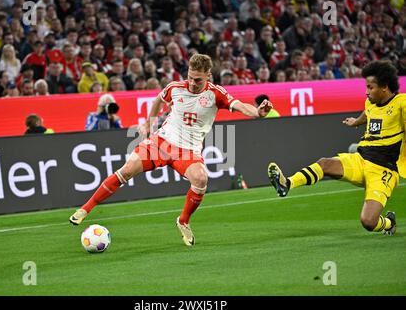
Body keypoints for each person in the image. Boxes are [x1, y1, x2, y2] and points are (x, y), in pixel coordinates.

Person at [70, 53, 273, 246]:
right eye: (191, 77)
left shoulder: (215, 93)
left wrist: (257, 112)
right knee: (127, 170)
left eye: (198, 80)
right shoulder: (175, 87)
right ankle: (85, 209)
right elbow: (159, 99)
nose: (193, 83)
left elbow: (240, 106)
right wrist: (149, 124)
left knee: (201, 179)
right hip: (162, 142)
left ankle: (183, 221)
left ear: (208, 76)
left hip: (188, 150)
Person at [267, 60, 405, 236]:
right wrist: (357, 121)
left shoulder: (401, 103)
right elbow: (368, 113)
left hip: (383, 169)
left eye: (370, 87)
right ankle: (287, 183)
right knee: (324, 163)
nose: (366, 91)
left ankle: (388, 223)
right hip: (361, 159)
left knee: (368, 222)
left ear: (384, 87)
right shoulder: (370, 103)